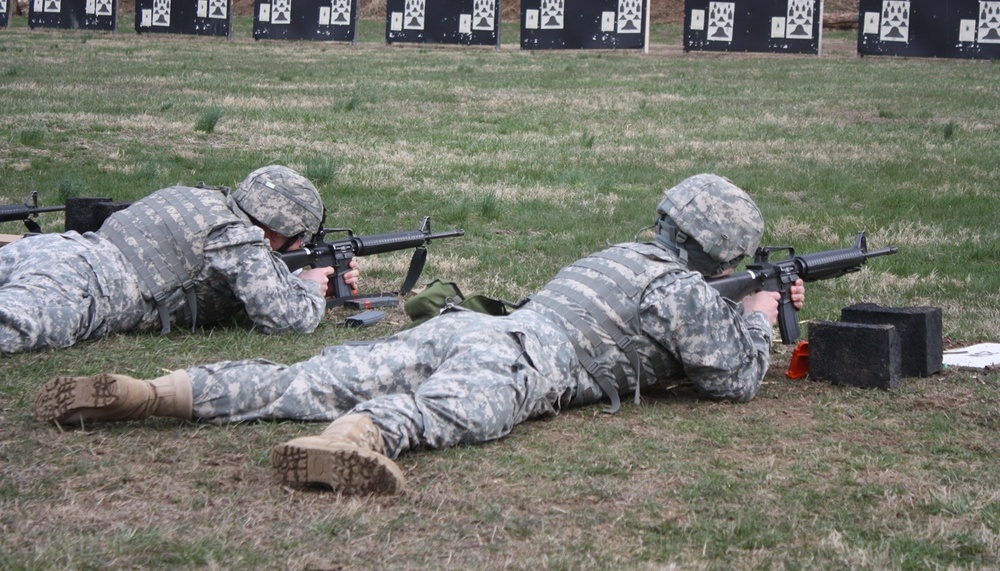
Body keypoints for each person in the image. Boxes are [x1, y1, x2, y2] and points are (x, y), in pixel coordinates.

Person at [34, 173, 804, 498]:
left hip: (477, 328)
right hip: (523, 358)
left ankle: (157, 394)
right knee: (448, 412)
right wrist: (762, 316)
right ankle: (356, 438)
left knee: (305, 377)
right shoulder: (677, 286)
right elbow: (731, 378)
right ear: (720, 250)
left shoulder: (620, 255)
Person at [1, 165, 358, 354]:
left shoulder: (195, 197)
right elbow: (286, 319)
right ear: (277, 235)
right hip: (82, 288)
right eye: (299, 240)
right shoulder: (239, 239)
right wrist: (309, 289)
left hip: (52, 247)